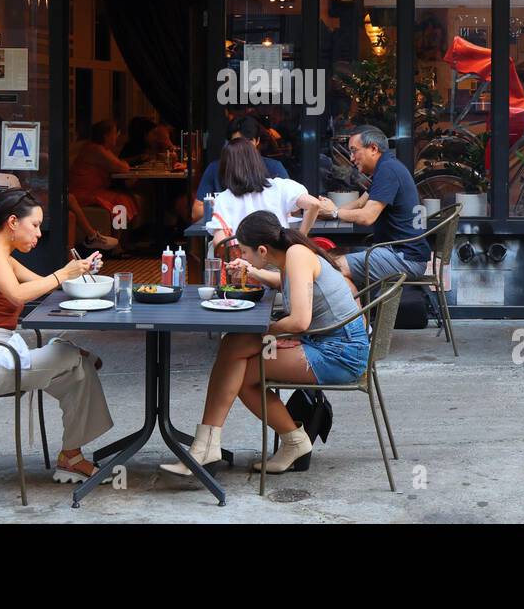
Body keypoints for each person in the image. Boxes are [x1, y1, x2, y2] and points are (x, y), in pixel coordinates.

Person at [160, 211, 368, 477]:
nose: (242, 256)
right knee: (234, 345)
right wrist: (254, 271)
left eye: (245, 252)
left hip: (341, 352)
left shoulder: (296, 255)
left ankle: (282, 443)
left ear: (262, 249)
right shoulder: (293, 255)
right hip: (327, 342)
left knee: (240, 368)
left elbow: (300, 322)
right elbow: (285, 283)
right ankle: (211, 445)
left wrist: (268, 332)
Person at [0, 187, 115, 482]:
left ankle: (71, 457)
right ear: (13, 222)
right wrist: (64, 274)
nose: (39, 233)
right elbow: (17, 294)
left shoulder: (4, 256)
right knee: (68, 353)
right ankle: (74, 354)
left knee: (80, 371)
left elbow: (44, 285)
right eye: (35, 225)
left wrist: (80, 270)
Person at [315, 126, 431, 284]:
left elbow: (367, 217)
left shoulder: (388, 170)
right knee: (331, 257)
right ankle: (358, 307)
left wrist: (335, 212)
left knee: (329, 268)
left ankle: (355, 309)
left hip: (404, 258)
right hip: (398, 253)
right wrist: (324, 211)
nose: (351, 158)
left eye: (354, 150)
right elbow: (360, 203)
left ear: (373, 149)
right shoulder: (388, 166)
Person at [206, 139, 320, 249]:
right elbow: (314, 204)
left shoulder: (224, 199)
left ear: (226, 167)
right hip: (279, 260)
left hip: (244, 264)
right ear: (257, 161)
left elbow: (219, 241)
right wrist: (301, 238)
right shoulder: (280, 186)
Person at [191, 115, 289, 222]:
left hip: (265, 233)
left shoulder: (274, 167)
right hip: (225, 233)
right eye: (237, 142)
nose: (243, 148)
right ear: (229, 144)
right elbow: (196, 213)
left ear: (257, 141)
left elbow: (290, 208)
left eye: (248, 142)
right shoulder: (215, 168)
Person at [68, 119, 140, 225]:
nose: (117, 136)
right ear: (106, 136)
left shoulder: (101, 149)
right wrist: (124, 163)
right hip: (83, 193)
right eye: (115, 133)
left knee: (125, 198)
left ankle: (121, 234)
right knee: (121, 201)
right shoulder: (96, 149)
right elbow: (122, 167)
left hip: (93, 190)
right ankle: (118, 237)